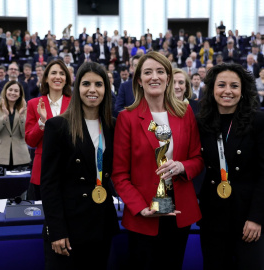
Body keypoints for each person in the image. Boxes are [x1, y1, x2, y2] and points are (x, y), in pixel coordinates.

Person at [111, 51, 203, 270]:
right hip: (145, 214)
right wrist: (141, 208)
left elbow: (198, 159)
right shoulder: (127, 118)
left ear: (168, 78)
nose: (155, 77)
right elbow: (119, 174)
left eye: (160, 71)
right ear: (139, 81)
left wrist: (182, 166)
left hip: (179, 212)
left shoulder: (185, 112)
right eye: (148, 72)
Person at [40, 61, 119, 269]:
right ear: (77, 89)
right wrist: (57, 231)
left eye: (99, 84)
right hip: (67, 228)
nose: (92, 90)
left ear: (106, 89)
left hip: (101, 224)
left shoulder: (113, 125)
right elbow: (49, 184)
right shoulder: (57, 126)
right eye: (86, 84)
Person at [197, 63, 264, 270]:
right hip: (212, 218)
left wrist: (256, 218)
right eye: (221, 85)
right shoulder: (201, 122)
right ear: (212, 89)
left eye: (234, 86)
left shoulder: (258, 120)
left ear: (243, 91)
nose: (227, 91)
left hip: (248, 220)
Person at [25, 59, 72, 200]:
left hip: (70, 170)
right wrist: (42, 121)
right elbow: (30, 141)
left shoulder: (75, 103)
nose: (58, 77)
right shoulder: (34, 104)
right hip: (43, 171)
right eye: (54, 73)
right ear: (46, 79)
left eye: (62, 73)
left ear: (66, 79)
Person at [0, 81, 30, 170]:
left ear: (20, 94)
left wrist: (22, 116)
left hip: (21, 157)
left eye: (16, 91)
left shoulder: (25, 110)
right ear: (5, 91)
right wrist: (4, 117)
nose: (13, 93)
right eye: (10, 90)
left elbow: (25, 134)